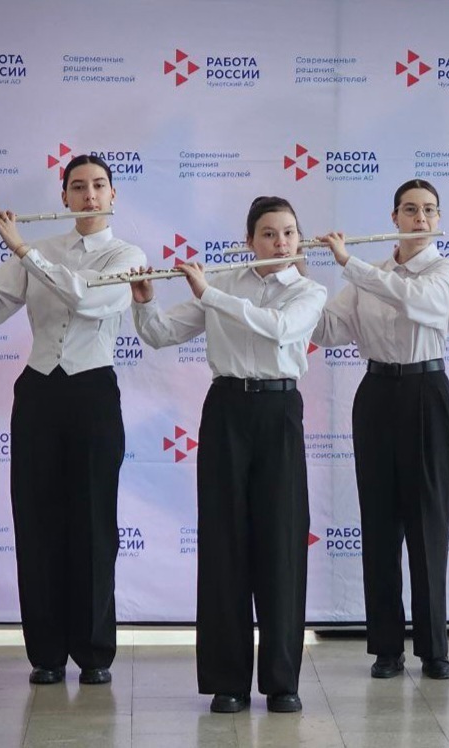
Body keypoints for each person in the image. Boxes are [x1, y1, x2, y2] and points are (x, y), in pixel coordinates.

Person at [0, 154, 146, 685]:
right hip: (38, 390)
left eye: (98, 185)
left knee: (93, 522)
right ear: (64, 197)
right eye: (78, 186)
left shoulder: (127, 255)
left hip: (92, 392)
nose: (88, 195)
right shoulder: (44, 249)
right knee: (36, 521)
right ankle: (47, 654)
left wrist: (21, 249)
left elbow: (85, 300)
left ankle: (94, 652)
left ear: (113, 195)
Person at [130, 196, 326, 714]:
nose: (280, 243)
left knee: (281, 542)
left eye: (288, 233)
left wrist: (210, 294)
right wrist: (145, 302)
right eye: (269, 234)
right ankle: (228, 681)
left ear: (299, 239)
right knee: (224, 542)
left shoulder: (309, 290)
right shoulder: (223, 283)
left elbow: (278, 328)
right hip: (226, 410)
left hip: (279, 410)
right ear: (250, 241)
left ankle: (282, 681)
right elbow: (160, 335)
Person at [312, 179, 449, 680]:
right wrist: (292, 285)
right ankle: (386, 648)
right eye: (410, 210)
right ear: (394, 217)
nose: (421, 218)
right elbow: (328, 330)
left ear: (438, 219)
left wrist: (349, 264)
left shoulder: (445, 270)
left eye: (429, 210)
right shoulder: (368, 276)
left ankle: (434, 649)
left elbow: (418, 302)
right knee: (379, 524)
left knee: (428, 524)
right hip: (376, 393)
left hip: (426, 392)